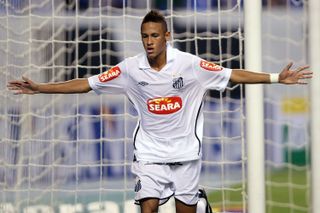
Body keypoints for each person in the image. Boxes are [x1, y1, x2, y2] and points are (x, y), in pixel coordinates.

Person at [7, 10, 312, 213]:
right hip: (149, 152)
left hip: (186, 153)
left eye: (154, 36)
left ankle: (199, 202)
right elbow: (86, 84)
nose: (149, 42)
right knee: (148, 207)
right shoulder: (130, 68)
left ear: (166, 37)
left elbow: (233, 74)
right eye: (144, 36)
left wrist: (276, 78)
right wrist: (40, 88)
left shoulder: (190, 65)